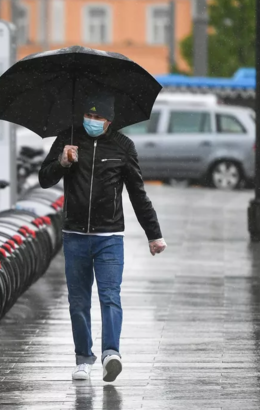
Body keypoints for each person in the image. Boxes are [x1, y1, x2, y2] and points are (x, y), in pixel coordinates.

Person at [39, 91, 167, 383]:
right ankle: (83, 358)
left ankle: (112, 354)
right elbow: (44, 178)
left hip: (110, 237)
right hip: (74, 236)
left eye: (98, 117)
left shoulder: (123, 147)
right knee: (78, 301)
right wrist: (62, 162)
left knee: (110, 297)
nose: (92, 121)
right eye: (88, 115)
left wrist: (154, 234)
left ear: (109, 120)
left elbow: (137, 194)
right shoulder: (68, 139)